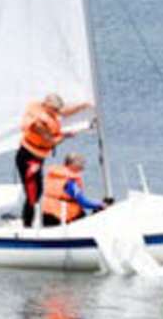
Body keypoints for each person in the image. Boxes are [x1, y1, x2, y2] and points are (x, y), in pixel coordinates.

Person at [16, 92, 91, 227]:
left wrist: (83, 105)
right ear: (47, 106)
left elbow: (64, 112)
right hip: (28, 158)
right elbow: (50, 140)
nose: (57, 113)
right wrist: (65, 135)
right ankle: (26, 227)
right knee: (32, 194)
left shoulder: (50, 111)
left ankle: (31, 221)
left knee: (38, 191)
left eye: (57, 110)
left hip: (38, 159)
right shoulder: (38, 121)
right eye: (55, 110)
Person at [40, 154, 105, 227]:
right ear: (71, 164)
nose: (82, 167)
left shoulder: (53, 176)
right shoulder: (70, 183)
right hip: (61, 216)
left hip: (46, 213)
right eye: (80, 163)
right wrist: (100, 204)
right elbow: (83, 202)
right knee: (83, 214)